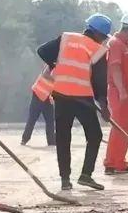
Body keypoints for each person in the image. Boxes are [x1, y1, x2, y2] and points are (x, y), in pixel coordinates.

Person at [36, 13, 112, 191]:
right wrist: (104, 106)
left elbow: (42, 51)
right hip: (82, 99)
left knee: (63, 138)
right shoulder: (98, 50)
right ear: (100, 35)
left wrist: (56, 64)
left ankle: (65, 180)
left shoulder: (66, 38)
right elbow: (100, 83)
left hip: (61, 95)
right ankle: (86, 175)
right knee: (95, 136)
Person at [103, 12, 128, 174]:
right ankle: (111, 163)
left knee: (124, 128)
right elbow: (115, 67)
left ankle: (119, 162)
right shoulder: (115, 44)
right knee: (118, 127)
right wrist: (121, 90)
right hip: (119, 93)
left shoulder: (125, 45)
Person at [21, 67, 56, 146]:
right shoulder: (52, 63)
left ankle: (51, 142)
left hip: (46, 96)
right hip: (38, 94)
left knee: (50, 120)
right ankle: (25, 139)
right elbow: (45, 74)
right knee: (32, 119)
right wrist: (56, 80)